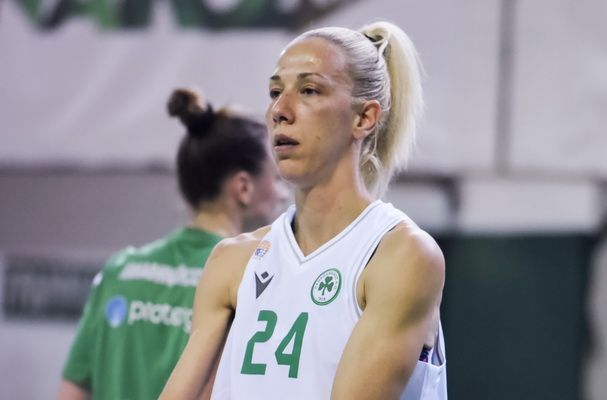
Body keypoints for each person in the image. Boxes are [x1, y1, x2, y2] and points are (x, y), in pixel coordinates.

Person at [161, 20, 447, 400]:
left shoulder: (401, 255)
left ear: (364, 118)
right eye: (274, 91)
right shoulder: (233, 260)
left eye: (309, 90)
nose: (280, 110)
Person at [56, 88, 289, 400]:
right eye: (277, 179)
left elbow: (71, 393)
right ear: (243, 188)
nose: (283, 195)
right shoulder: (249, 279)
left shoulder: (119, 271)